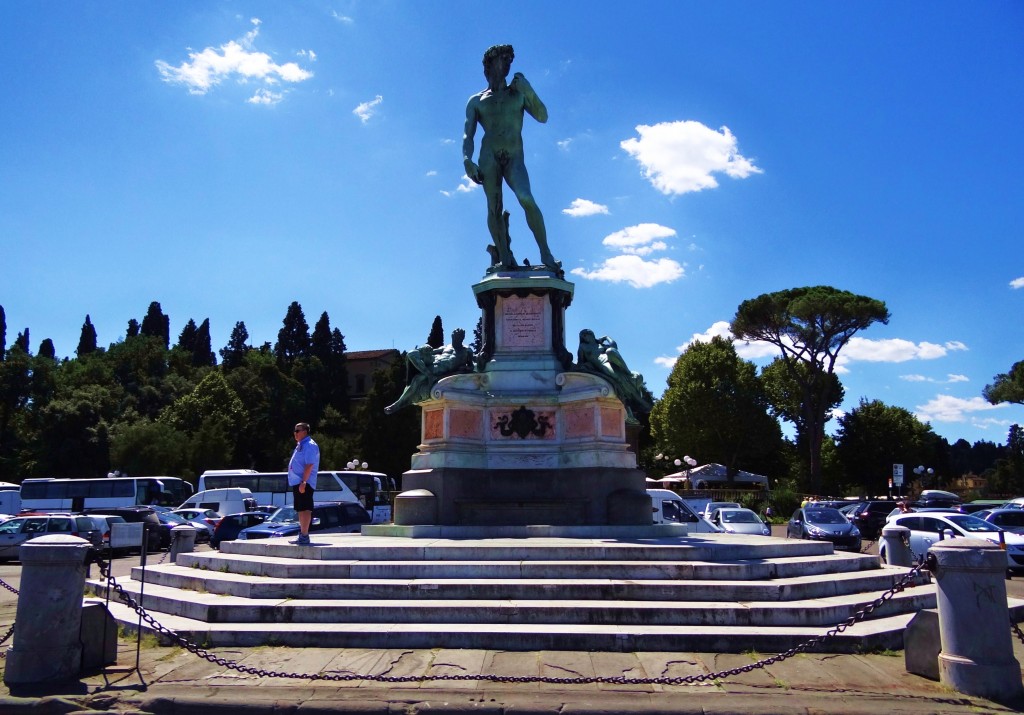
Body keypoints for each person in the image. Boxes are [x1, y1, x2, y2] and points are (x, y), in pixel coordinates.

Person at [463, 44, 559, 273]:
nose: (507, 64)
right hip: (489, 157)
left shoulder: (517, 93)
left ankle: (545, 252)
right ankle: (505, 257)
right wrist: (467, 159)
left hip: (514, 156)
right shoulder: (477, 100)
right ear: (489, 64)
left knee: (526, 197)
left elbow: (543, 116)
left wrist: (528, 89)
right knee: (494, 208)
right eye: (502, 59)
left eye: (509, 60)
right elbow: (468, 134)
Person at [385, 329, 474, 413]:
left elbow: (471, 366)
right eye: (453, 337)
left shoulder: (466, 351)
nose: (455, 339)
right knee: (411, 354)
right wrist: (425, 349)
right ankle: (428, 375)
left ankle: (397, 405)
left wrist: (465, 369)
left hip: (440, 370)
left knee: (417, 379)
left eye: (457, 337)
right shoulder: (447, 347)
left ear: (462, 338)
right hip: (432, 362)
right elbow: (431, 352)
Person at [576, 329, 653, 421]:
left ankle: (628, 374)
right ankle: (636, 402)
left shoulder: (600, 345)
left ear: (591, 335)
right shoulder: (583, 346)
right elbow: (580, 362)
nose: (584, 337)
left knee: (611, 351)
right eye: (582, 336)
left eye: (585, 335)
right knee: (618, 378)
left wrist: (606, 337)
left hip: (613, 362)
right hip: (603, 365)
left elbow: (614, 346)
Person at [288, 422, 320, 545]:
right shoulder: (301, 445)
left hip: (304, 482)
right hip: (298, 481)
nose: (295, 433)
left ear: (305, 431)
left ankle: (305, 536)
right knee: (300, 509)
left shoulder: (310, 445)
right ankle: (302, 534)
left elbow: (309, 464)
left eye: (297, 430)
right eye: (294, 430)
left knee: (305, 508)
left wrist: (304, 481)